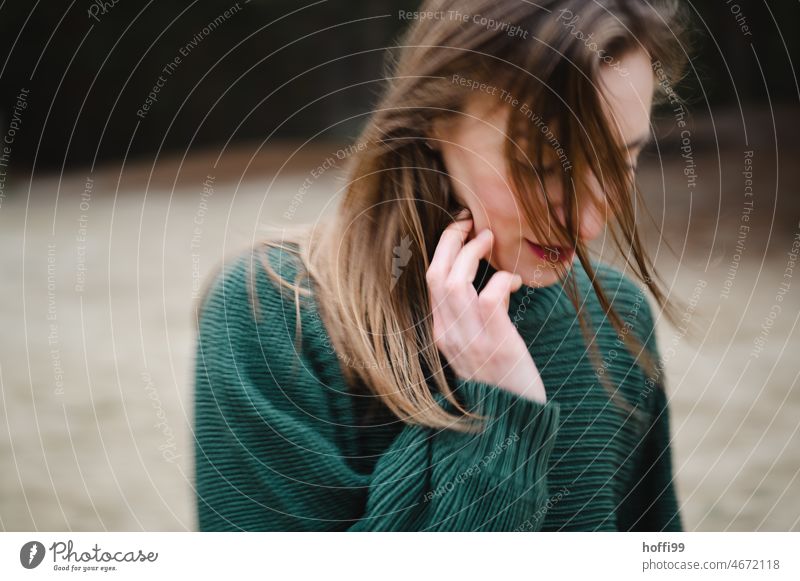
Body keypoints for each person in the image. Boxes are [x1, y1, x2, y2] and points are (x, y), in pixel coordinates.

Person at [193, 0, 688, 531]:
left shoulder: (619, 320)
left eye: (622, 159)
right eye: (543, 167)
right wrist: (499, 423)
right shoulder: (274, 318)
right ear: (434, 120)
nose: (589, 224)